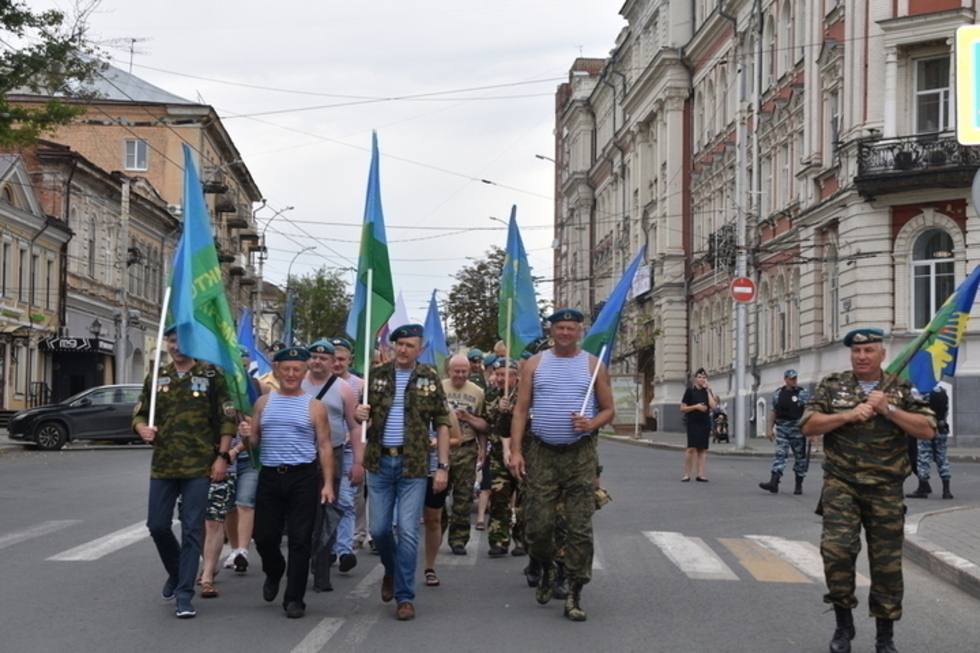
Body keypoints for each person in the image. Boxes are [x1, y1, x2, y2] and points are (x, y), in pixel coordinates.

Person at [799, 328, 935, 653]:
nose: (862, 356)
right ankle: (843, 627)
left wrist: (887, 409)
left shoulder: (901, 388)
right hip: (841, 485)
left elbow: (928, 430)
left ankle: (884, 637)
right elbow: (808, 425)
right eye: (857, 351)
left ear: (881, 354)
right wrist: (847, 415)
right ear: (851, 355)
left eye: (869, 351)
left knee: (886, 564)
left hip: (886, 489)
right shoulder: (832, 385)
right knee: (837, 554)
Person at [509, 309, 615, 622]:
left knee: (579, 528)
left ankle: (574, 592)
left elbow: (609, 410)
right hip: (542, 453)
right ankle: (545, 567)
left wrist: (591, 422)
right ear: (551, 331)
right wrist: (516, 451)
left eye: (571, 328)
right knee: (538, 526)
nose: (565, 333)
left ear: (579, 331)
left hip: (580, 455)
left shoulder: (593, 366)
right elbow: (520, 410)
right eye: (560, 328)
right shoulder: (535, 363)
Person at [132, 326, 237, 619]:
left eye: (182, 341)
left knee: (192, 529)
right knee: (157, 526)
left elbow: (226, 420)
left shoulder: (211, 376)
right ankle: (178, 571)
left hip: (199, 466)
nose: (176, 346)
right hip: (164, 464)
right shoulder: (157, 376)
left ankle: (184, 594)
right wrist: (143, 429)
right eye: (172, 340)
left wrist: (221, 457)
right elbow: (140, 412)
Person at [354, 323, 452, 621]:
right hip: (380, 463)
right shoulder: (377, 377)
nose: (404, 349)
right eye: (400, 344)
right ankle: (392, 570)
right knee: (381, 530)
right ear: (392, 347)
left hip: (414, 465)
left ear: (420, 349)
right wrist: (359, 416)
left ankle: (405, 597)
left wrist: (443, 467)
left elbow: (443, 424)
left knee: (408, 531)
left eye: (410, 345)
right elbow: (362, 422)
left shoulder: (429, 378)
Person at [244, 346, 335, 619]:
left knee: (300, 539)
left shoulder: (314, 406)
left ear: (305, 372)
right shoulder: (263, 403)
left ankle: (294, 599)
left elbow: (325, 446)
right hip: (270, 476)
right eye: (286, 369)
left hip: (303, 478)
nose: (292, 374)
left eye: (297, 369)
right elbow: (255, 442)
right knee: (263, 536)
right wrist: (247, 434)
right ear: (277, 371)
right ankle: (274, 570)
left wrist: (328, 483)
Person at [302, 340, 364, 581]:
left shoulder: (344, 388)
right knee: (307, 509)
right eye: (314, 356)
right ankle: (312, 555)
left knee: (333, 506)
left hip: (336, 453)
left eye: (323, 357)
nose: (318, 361)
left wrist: (358, 461)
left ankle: (327, 561)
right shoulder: (298, 383)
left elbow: (355, 427)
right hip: (303, 455)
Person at [442, 354, 488, 555]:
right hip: (442, 447)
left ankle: (458, 539)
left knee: (463, 496)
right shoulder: (439, 388)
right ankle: (437, 532)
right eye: (456, 371)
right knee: (438, 496)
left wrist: (482, 450)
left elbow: (485, 425)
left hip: (467, 447)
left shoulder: (477, 392)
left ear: (469, 372)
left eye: (464, 371)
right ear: (449, 371)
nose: (460, 375)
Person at [329, 337, 369, 552]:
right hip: (324, 449)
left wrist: (361, 426)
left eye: (341, 359)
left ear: (349, 360)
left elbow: (369, 417)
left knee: (349, 497)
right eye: (333, 359)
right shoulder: (317, 383)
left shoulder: (359, 385)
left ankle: (350, 542)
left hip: (350, 449)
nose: (337, 363)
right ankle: (329, 543)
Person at [486, 357, 524, 557]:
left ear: (515, 375)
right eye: (498, 374)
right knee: (499, 497)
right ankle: (499, 540)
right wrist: (500, 410)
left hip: (523, 453)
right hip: (499, 455)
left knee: (523, 497)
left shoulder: (526, 394)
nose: (500, 379)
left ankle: (522, 540)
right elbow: (488, 422)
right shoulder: (491, 395)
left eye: (505, 375)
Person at [422, 405, 463, 587]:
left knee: (433, 519)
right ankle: (396, 567)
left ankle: (430, 567)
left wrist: (436, 443)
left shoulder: (445, 409)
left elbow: (457, 439)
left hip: (434, 470)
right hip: (409, 470)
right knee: (403, 521)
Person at [759, 369, 814, 495]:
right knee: (780, 455)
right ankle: (774, 482)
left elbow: (809, 413)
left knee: (800, 458)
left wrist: (811, 432)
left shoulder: (803, 394)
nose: (794, 380)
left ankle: (798, 485)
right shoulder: (778, 393)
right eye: (791, 378)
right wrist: (769, 429)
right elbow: (774, 411)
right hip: (782, 429)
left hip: (798, 430)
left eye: (795, 378)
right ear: (785, 379)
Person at [907, 385, 953, 500]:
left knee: (923, 458)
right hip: (942, 428)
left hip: (926, 428)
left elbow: (916, 410)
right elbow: (946, 411)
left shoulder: (921, 392)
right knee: (942, 458)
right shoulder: (942, 391)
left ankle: (923, 488)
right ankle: (946, 491)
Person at [680, 368, 717, 482]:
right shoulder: (690, 391)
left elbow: (713, 406)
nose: (702, 379)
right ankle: (687, 474)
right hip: (693, 422)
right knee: (691, 448)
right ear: (695, 379)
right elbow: (683, 408)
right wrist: (696, 407)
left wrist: (708, 390)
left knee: (702, 449)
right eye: (699, 377)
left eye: (704, 377)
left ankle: (700, 474)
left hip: (704, 422)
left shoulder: (707, 392)